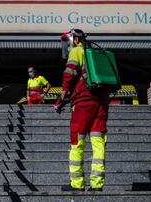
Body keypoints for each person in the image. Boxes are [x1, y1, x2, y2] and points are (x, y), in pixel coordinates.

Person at [55, 29, 109, 191]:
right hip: (101, 102)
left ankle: (77, 184)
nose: (67, 46)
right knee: (98, 142)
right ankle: (97, 184)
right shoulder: (96, 54)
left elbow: (69, 74)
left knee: (77, 141)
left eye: (68, 41)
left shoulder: (77, 51)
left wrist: (61, 98)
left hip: (83, 102)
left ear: (76, 39)